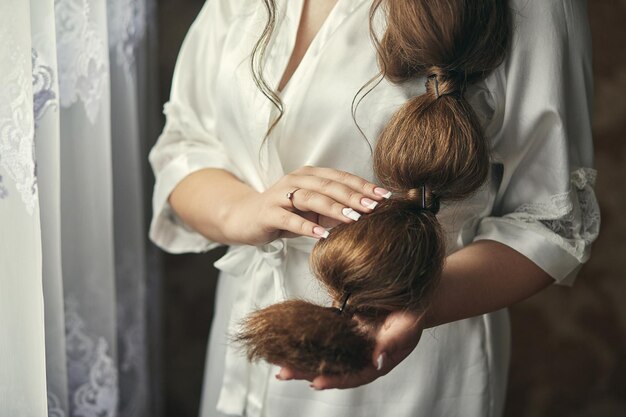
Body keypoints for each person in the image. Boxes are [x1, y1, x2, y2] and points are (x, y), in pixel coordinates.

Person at [149, 0, 600, 416]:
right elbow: (186, 143)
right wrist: (242, 211)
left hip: (412, 368)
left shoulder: (531, 8)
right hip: (247, 335)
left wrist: (420, 300)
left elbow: (550, 222)